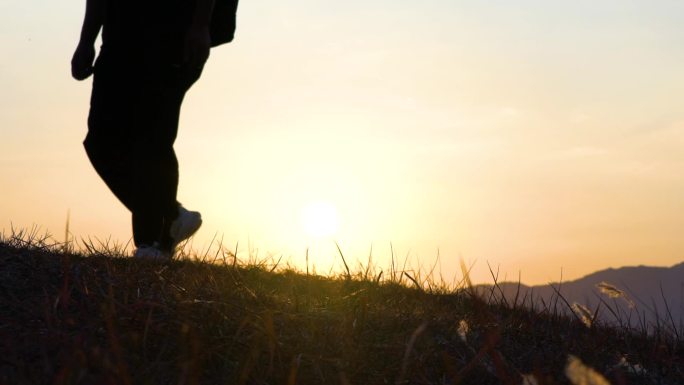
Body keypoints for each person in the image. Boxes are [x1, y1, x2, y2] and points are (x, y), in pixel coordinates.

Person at [71, 0, 216, 259]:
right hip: (119, 36)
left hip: (173, 33)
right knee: (100, 141)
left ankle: (152, 242)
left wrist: (200, 25)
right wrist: (86, 40)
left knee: (153, 136)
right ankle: (170, 217)